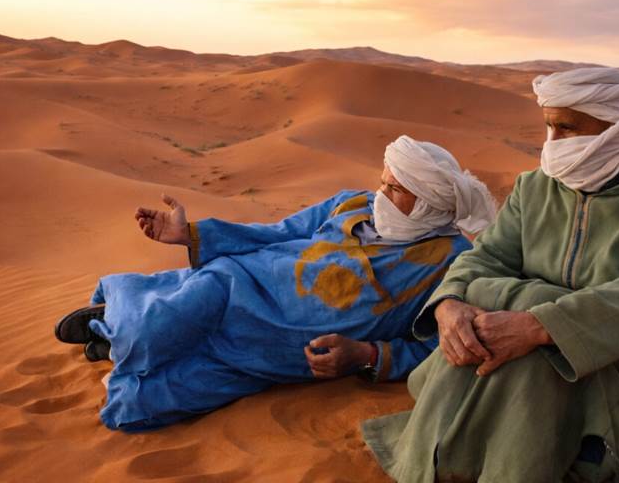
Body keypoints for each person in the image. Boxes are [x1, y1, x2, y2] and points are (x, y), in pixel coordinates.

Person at [362, 67, 619, 483]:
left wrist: (540, 326)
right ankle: (455, 458)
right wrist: (449, 303)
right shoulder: (535, 188)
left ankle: (481, 464)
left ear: (617, 126)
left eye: (567, 127)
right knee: (490, 301)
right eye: (549, 126)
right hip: (538, 333)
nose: (554, 141)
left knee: (537, 336)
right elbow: (486, 256)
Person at [53, 136, 496, 431]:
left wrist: (365, 355)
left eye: (396, 189)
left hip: (277, 355)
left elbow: (434, 347)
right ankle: (116, 324)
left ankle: (115, 340)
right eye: (383, 183)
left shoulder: (452, 261)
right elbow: (278, 233)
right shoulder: (352, 204)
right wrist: (188, 235)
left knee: (134, 410)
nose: (380, 196)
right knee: (149, 332)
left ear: (430, 202)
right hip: (238, 288)